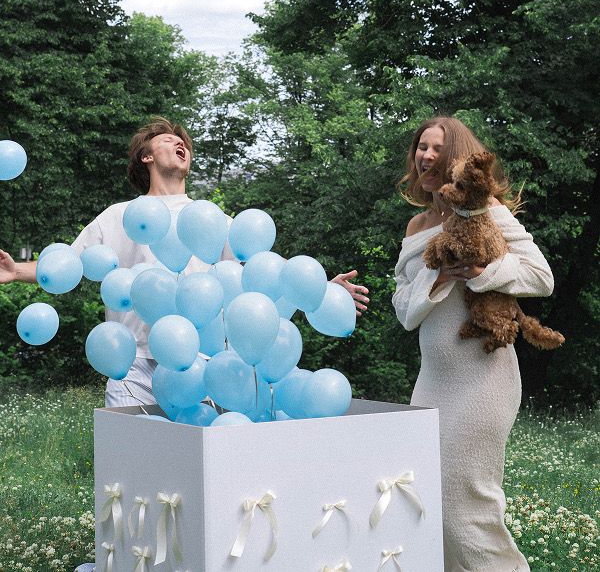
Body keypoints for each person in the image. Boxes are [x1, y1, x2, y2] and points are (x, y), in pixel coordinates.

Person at [0, 117, 369, 406]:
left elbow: (264, 266)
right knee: (130, 467)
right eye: (167, 140)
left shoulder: (210, 218)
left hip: (200, 366)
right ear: (146, 157)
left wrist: (319, 288)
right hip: (132, 365)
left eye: (184, 144)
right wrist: (16, 271)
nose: (180, 144)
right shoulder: (118, 216)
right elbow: (67, 265)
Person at [393, 116, 554, 572]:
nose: (426, 156)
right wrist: (437, 276)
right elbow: (404, 308)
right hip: (431, 382)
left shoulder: (487, 211)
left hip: (484, 379)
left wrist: (483, 274)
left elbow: (541, 277)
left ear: (457, 158)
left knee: (465, 509)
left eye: (437, 148)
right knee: (426, 503)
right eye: (421, 147)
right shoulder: (416, 226)